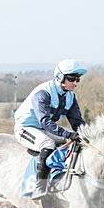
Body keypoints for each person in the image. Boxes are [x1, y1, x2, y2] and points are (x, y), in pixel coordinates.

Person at [14, 58, 86, 199]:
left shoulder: (70, 96)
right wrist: (67, 134)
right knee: (48, 144)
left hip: (45, 129)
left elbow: (77, 121)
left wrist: (86, 135)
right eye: (72, 79)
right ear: (60, 77)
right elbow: (45, 121)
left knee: (76, 141)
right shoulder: (43, 93)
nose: (75, 83)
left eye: (78, 79)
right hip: (26, 128)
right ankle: (39, 186)